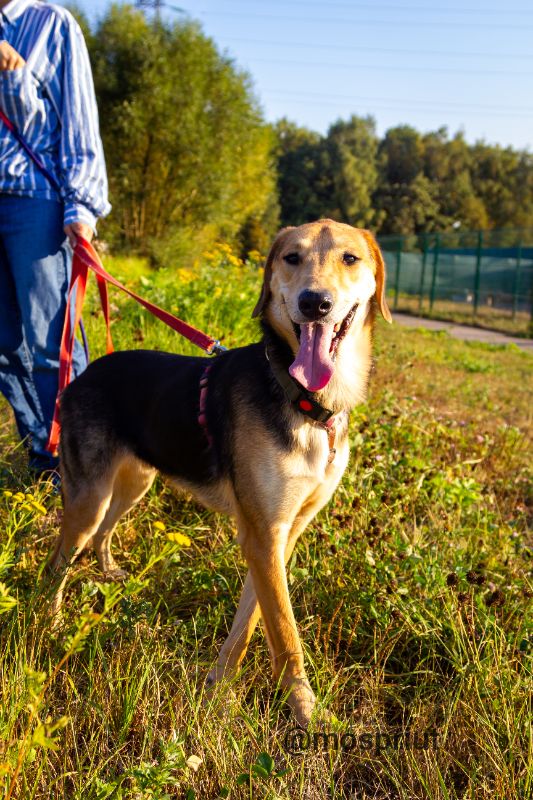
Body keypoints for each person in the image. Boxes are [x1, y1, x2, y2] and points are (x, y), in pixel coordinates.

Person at [0, 0, 110, 477]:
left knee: (51, 343)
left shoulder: (54, 25)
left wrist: (81, 206)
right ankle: (46, 457)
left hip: (36, 204)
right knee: (2, 345)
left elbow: (79, 121)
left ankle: (86, 462)